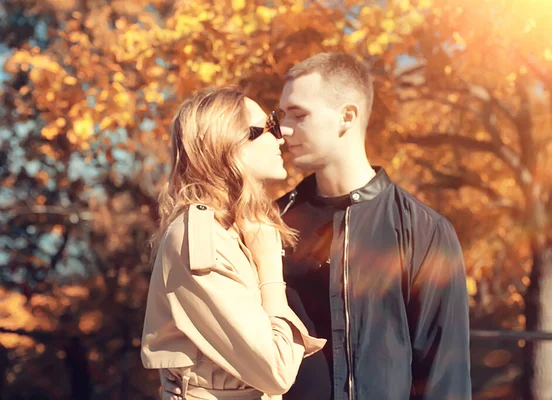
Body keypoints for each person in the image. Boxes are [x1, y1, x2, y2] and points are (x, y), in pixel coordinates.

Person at [161, 53, 471, 400]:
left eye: (300, 114)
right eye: (282, 116)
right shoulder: (266, 225)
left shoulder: (423, 230)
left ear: (346, 117)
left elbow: (445, 376)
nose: (284, 130)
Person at [142, 88, 326, 400]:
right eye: (268, 126)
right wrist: (269, 265)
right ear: (231, 146)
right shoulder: (199, 238)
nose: (280, 137)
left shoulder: (233, 230)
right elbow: (276, 370)